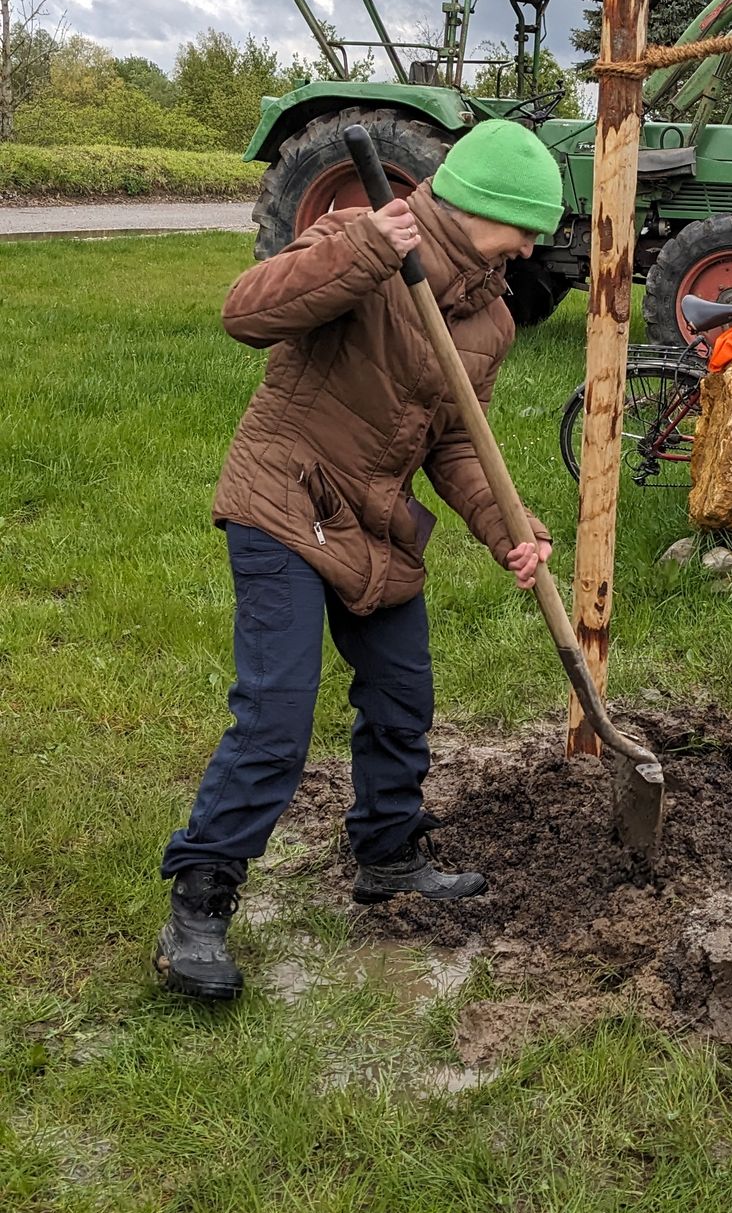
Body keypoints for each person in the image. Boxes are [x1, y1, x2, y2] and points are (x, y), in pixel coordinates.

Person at [156, 117, 564, 999]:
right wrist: (368, 252)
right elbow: (245, 312)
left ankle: (386, 859)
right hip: (285, 499)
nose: (532, 248)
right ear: (481, 204)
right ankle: (200, 901)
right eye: (525, 224)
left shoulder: (489, 316)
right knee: (274, 717)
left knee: (401, 699)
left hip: (373, 522)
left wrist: (510, 527)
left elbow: (459, 443)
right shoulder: (360, 238)